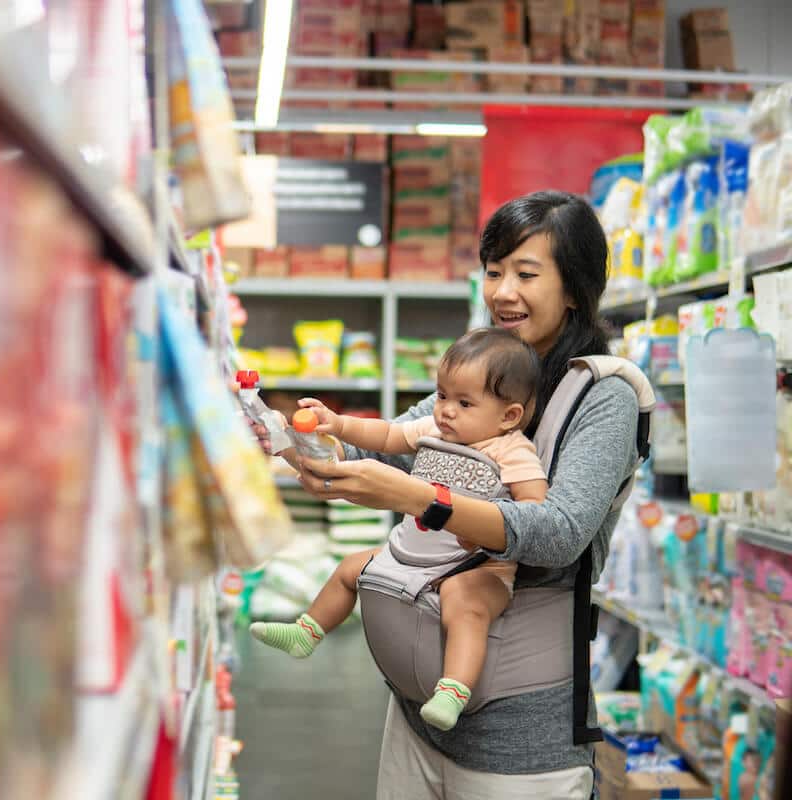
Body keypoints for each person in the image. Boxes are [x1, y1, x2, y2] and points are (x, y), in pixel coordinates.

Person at [250, 191, 638, 799]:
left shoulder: (600, 399)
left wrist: (418, 498)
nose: (503, 291)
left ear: (574, 288)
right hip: (415, 714)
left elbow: (558, 534)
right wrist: (310, 448)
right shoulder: (479, 373)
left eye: (526, 274)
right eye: (494, 271)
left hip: (518, 737)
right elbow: (391, 448)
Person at [249, 327, 547, 732]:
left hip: (476, 566)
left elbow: (533, 513)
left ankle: (454, 690)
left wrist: (488, 525)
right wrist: (336, 423)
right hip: (414, 553)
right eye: (441, 396)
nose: (446, 410)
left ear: (509, 416)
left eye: (463, 402)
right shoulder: (434, 431)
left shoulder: (511, 451)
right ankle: (307, 632)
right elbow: (386, 434)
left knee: (467, 604)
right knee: (350, 568)